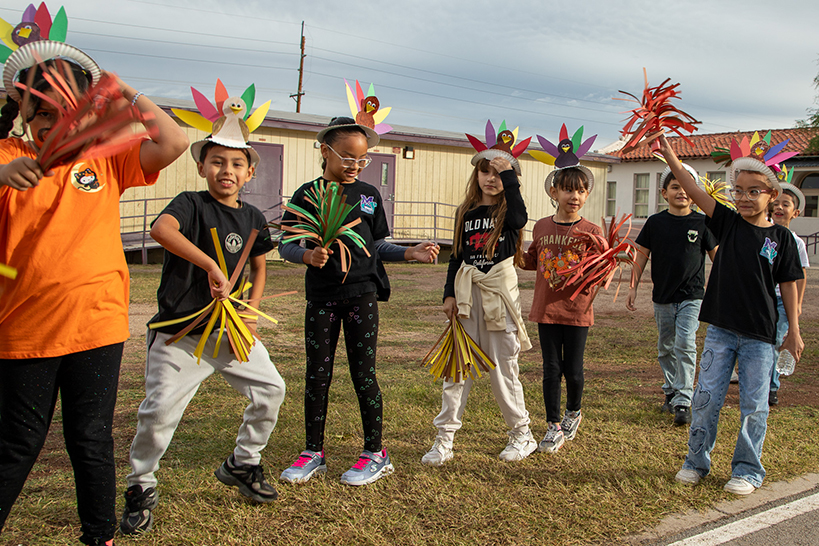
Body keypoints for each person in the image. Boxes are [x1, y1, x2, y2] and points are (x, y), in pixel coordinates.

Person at [0, 34, 188, 546]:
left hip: (97, 326)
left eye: (72, 116)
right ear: (24, 114)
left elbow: (174, 142)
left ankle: (99, 535)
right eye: (44, 116)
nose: (57, 128)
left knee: (90, 439)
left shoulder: (104, 160)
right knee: (18, 443)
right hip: (25, 332)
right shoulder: (8, 155)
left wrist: (121, 91)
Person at [120, 120, 286, 534]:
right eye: (216, 162)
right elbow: (161, 230)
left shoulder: (252, 216)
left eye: (235, 163)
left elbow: (259, 264)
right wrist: (210, 263)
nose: (225, 170)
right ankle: (140, 485)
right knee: (158, 412)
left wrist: (251, 310)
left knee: (271, 390)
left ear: (249, 173)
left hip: (229, 333)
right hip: (180, 332)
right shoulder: (189, 204)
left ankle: (243, 463)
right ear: (201, 167)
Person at [278, 116, 438, 485]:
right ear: (325, 151)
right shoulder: (308, 193)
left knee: (363, 374)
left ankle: (375, 453)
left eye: (362, 160)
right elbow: (286, 243)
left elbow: (378, 244)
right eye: (348, 157)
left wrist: (408, 254)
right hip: (321, 296)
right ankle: (313, 451)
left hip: (361, 294)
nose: (354, 165)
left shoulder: (369, 194)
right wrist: (306, 256)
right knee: (317, 374)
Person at [657, 133, 804, 496]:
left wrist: (794, 331)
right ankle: (695, 462)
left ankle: (747, 470)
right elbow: (693, 190)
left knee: (754, 406)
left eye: (754, 191)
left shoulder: (782, 240)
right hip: (721, 331)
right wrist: (672, 159)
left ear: (772, 196)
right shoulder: (726, 222)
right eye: (739, 190)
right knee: (706, 399)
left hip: (760, 337)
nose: (744, 197)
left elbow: (789, 286)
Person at [421, 119, 536, 466]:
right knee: (457, 369)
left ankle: (522, 433)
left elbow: (518, 219)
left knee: (504, 368)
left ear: (511, 180)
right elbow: (456, 256)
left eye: (499, 174)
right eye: (485, 171)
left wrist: (510, 175)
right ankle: (444, 439)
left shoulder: (510, 210)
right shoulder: (465, 213)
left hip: (500, 298)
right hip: (468, 295)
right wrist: (449, 294)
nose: (491, 178)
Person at [522, 126, 602, 454]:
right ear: (554, 192)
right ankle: (553, 425)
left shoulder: (592, 231)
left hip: (577, 310)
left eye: (581, 191)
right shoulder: (541, 226)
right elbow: (530, 262)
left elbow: (599, 271)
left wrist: (611, 261)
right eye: (567, 190)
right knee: (551, 368)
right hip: (546, 308)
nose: (574, 197)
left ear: (586, 195)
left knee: (574, 369)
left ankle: (574, 411)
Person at [626, 163, 718, 426]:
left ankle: (683, 400)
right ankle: (671, 389)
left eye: (686, 187)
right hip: (662, 298)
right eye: (675, 187)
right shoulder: (655, 223)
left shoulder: (702, 222)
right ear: (663, 192)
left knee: (685, 344)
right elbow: (641, 255)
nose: (681, 192)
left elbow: (717, 257)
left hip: (692, 296)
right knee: (666, 347)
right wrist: (633, 287)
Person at [767, 181, 809, 405]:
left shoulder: (797, 243)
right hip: (763, 298)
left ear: (796, 212)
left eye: (786, 204)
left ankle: (771, 386)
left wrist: (798, 305)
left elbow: (799, 276)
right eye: (777, 203)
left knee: (775, 340)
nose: (780, 207)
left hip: (783, 301)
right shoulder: (764, 235)